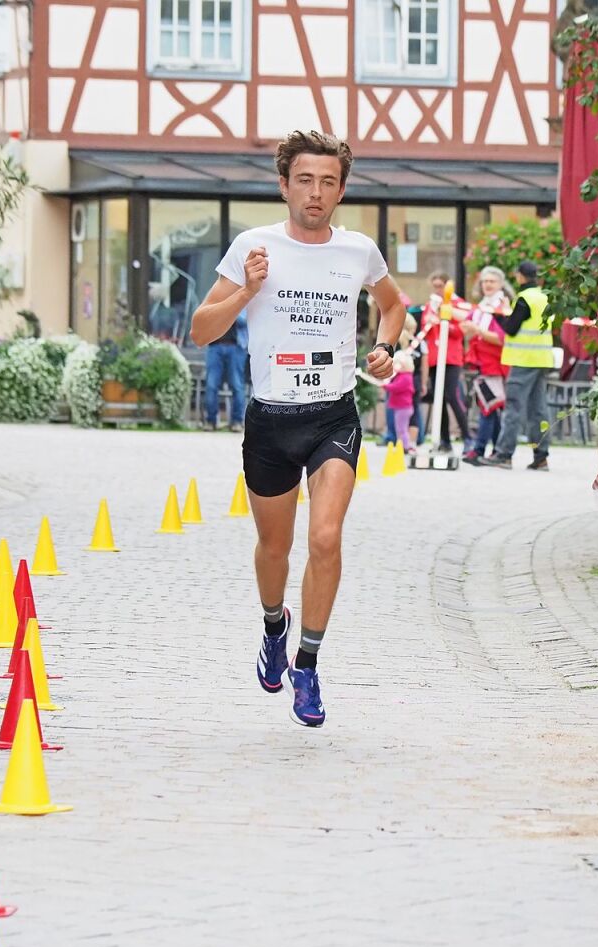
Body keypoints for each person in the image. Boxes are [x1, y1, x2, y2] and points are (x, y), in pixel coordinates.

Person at [190, 129, 405, 727]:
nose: (316, 193)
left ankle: (307, 666)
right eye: (304, 181)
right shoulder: (253, 247)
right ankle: (272, 626)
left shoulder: (359, 250)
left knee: (327, 538)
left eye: (328, 182)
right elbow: (201, 330)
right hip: (270, 419)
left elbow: (394, 304)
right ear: (284, 185)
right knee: (274, 549)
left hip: (332, 415)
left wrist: (385, 346)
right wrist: (249, 290)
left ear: (341, 189)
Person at [481, 260, 554, 470]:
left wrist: (499, 314)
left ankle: (504, 454)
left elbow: (510, 329)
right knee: (538, 409)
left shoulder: (524, 299)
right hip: (541, 359)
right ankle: (541, 456)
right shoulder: (543, 296)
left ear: (520, 276)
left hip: (523, 360)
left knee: (513, 407)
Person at [460, 266, 510, 465]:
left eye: (492, 281)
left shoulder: (501, 308)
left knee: (488, 407)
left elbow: (501, 338)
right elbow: (467, 324)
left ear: (500, 284)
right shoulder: (482, 306)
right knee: (491, 406)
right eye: (485, 281)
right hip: (481, 363)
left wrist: (477, 330)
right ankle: (496, 449)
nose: (487, 285)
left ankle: (479, 448)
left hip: (495, 364)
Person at [419, 270, 472, 452]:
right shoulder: (431, 305)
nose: (437, 290)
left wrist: (443, 323)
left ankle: (467, 437)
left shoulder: (458, 305)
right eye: (434, 287)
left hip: (451, 357)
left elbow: (461, 330)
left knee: (452, 396)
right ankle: (445, 441)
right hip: (435, 358)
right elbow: (425, 327)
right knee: (438, 398)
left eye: (440, 286)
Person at [203, 313, 247, 432]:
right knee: (211, 385)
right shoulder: (215, 296)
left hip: (236, 347)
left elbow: (245, 321)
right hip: (214, 346)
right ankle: (211, 421)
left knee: (237, 385)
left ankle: (237, 421)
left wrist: (229, 309)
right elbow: (205, 317)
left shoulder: (241, 296)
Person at [383, 351, 416, 453]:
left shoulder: (406, 377)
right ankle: (402, 445)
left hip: (403, 407)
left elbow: (397, 388)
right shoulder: (401, 376)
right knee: (400, 428)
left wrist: (385, 386)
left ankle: (406, 446)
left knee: (402, 429)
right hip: (401, 407)